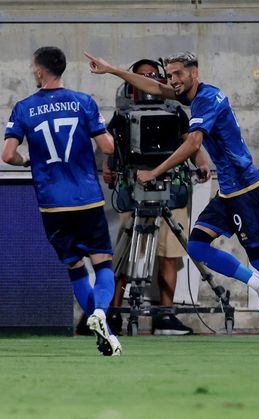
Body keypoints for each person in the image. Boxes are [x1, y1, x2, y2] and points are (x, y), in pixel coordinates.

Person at [85, 51, 259, 344]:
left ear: (194, 73)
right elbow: (155, 88)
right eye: (170, 76)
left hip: (243, 188)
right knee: (196, 245)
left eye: (178, 75)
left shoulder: (207, 99)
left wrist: (154, 171)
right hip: (229, 190)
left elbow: (194, 142)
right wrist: (112, 69)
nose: (173, 81)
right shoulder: (196, 95)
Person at [2, 46, 121, 356]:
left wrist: (25, 159)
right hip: (86, 197)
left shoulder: (24, 108)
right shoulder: (84, 102)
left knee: (75, 267)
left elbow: (7, 155)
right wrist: (103, 128)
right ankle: (101, 314)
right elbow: (107, 147)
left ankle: (103, 331)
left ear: (40, 71)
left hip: (52, 202)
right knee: (103, 263)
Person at [101, 58, 209, 336]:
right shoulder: (122, 113)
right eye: (142, 76)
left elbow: (191, 140)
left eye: (152, 75)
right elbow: (111, 146)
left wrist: (202, 160)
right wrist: (108, 168)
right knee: (125, 256)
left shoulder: (176, 110)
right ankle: (114, 314)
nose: (149, 80)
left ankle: (165, 316)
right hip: (134, 186)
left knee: (170, 254)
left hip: (171, 187)